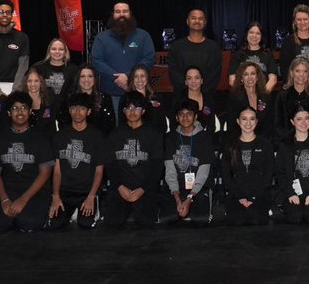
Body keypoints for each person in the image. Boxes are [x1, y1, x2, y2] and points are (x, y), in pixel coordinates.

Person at [0, 92, 55, 233]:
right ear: (8, 113)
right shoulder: (0, 138)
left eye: (24, 108)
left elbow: (45, 173)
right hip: (9, 190)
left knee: (29, 223)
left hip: (34, 192)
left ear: (30, 111)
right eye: (15, 108)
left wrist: (23, 200)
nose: (19, 112)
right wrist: (5, 200)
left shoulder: (40, 138)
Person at [102, 92, 165, 228]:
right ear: (123, 111)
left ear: (143, 110)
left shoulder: (154, 134)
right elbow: (110, 164)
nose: (132, 112)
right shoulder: (115, 134)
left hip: (144, 189)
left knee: (146, 223)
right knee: (112, 223)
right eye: (128, 108)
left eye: (136, 108)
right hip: (121, 189)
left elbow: (157, 166)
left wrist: (142, 189)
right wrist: (120, 186)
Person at [49, 92, 107, 229]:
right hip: (65, 191)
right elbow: (56, 171)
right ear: (69, 110)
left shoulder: (97, 136)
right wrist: (55, 196)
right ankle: (71, 212)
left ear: (89, 111)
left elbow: (99, 171)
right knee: (56, 224)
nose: (77, 112)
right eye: (74, 108)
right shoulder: (60, 136)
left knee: (86, 223)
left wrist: (91, 196)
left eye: (82, 108)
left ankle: (88, 208)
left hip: (86, 191)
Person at [90, 2, 155, 119]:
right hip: (110, 94)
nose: (121, 15)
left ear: (130, 14)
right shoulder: (101, 38)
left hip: (139, 94)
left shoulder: (143, 36)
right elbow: (96, 60)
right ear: (112, 15)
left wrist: (128, 76)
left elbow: (149, 59)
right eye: (118, 12)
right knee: (115, 130)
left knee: (139, 129)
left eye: (125, 11)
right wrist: (116, 78)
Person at [163, 101, 215, 227]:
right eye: (181, 114)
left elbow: (203, 173)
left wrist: (189, 199)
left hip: (198, 189)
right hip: (177, 189)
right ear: (176, 118)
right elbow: (170, 171)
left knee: (200, 220)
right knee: (167, 219)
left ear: (195, 116)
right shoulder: (170, 138)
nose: (185, 117)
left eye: (189, 114)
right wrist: (177, 198)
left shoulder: (205, 138)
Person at [220, 107, 275, 226]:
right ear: (238, 121)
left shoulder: (265, 144)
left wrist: (253, 197)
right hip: (236, 194)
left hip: (260, 194)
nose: (248, 123)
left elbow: (268, 174)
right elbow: (226, 175)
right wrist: (240, 197)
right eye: (244, 119)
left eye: (252, 119)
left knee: (256, 220)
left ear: (256, 121)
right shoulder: (230, 145)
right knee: (237, 220)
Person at [275, 105, 309, 224]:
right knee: (296, 218)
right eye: (299, 119)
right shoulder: (285, 144)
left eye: (307, 118)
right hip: (292, 193)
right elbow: (280, 172)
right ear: (292, 122)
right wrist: (290, 194)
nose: (304, 122)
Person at [168, 8, 223, 96]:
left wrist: (200, 92)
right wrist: (188, 91)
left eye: (201, 19)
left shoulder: (214, 47)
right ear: (187, 21)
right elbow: (174, 73)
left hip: (206, 97)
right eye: (193, 18)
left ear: (205, 22)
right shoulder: (176, 47)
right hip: (182, 97)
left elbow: (214, 75)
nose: (197, 21)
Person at [273, 57, 309, 138]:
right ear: (291, 73)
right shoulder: (282, 96)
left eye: (305, 71)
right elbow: (278, 125)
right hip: (287, 142)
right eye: (297, 71)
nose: (301, 74)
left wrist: (306, 139)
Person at [228, 22, 278, 94]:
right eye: (251, 32)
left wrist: (262, 96)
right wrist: (246, 96)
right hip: (243, 96)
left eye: (258, 33)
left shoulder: (268, 55)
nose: (254, 36)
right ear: (246, 35)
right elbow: (232, 80)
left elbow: (273, 80)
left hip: (263, 96)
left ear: (261, 36)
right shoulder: (238, 55)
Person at [226, 62, 274, 138]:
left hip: (263, 140)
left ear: (257, 77)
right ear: (241, 79)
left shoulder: (266, 97)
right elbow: (232, 124)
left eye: (252, 74)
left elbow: (270, 124)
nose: (249, 77)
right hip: (241, 140)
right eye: (245, 74)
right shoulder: (234, 98)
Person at [65, 64, 115, 135]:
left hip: (98, 140)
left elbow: (110, 125)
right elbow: (64, 123)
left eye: (90, 76)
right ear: (77, 78)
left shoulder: (105, 98)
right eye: (82, 76)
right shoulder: (70, 97)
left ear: (95, 78)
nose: (86, 80)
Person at [172, 65, 219, 136]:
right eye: (189, 78)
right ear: (186, 82)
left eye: (197, 78)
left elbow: (211, 125)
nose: (193, 81)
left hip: (203, 138)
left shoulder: (208, 99)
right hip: (182, 137)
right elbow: (173, 124)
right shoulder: (178, 99)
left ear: (202, 80)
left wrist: (205, 140)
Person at [20, 67, 58, 136]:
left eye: (36, 81)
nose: (33, 84)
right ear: (26, 83)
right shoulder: (20, 102)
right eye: (30, 81)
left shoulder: (49, 100)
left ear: (41, 82)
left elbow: (52, 127)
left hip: (45, 141)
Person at [128, 64, 165, 129]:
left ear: (147, 78)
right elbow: (123, 126)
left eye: (142, 76)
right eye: (136, 76)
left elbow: (162, 124)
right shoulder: (126, 99)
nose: (140, 79)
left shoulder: (157, 98)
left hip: (154, 136)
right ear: (132, 79)